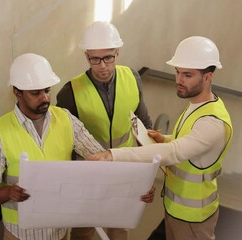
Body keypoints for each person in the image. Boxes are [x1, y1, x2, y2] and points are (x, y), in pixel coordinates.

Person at [0, 53, 155, 240]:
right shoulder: (0, 132)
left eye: (47, 90)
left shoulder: (66, 119)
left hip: (59, 233)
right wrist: (9, 192)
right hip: (20, 235)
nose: (44, 98)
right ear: (17, 92)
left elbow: (103, 161)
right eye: (35, 93)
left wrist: (137, 186)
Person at [87, 36, 233, 240]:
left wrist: (113, 155)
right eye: (178, 72)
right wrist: (164, 138)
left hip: (193, 218)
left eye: (187, 75)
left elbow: (175, 152)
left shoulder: (212, 122)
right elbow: (187, 142)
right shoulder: (197, 105)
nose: (179, 80)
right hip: (177, 209)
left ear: (208, 77)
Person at [56, 21, 153, 240]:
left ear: (117, 54)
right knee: (84, 230)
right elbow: (64, 142)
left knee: (119, 227)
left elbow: (143, 123)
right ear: (86, 57)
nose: (102, 66)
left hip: (123, 168)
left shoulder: (132, 78)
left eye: (108, 57)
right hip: (88, 174)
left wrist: (146, 170)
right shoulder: (70, 92)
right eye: (95, 59)